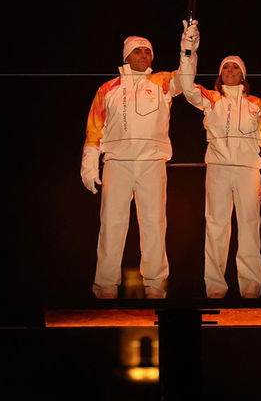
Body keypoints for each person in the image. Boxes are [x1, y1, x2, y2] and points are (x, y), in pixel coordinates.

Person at [80, 22, 199, 299]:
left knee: (154, 224)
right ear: (126, 56)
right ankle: (106, 288)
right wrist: (89, 161)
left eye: (147, 51)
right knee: (112, 224)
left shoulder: (162, 82)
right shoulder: (108, 88)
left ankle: (156, 286)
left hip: (151, 163)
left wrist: (188, 47)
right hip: (117, 163)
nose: (143, 54)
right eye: (138, 51)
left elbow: (187, 77)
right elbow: (94, 127)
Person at [176, 44, 261, 299]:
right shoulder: (212, 99)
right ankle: (215, 289)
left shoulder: (258, 105)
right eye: (226, 67)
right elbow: (188, 89)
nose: (230, 71)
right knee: (216, 227)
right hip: (219, 169)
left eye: (235, 67)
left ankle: (251, 290)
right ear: (220, 75)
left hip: (248, 170)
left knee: (249, 228)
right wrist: (188, 50)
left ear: (243, 75)